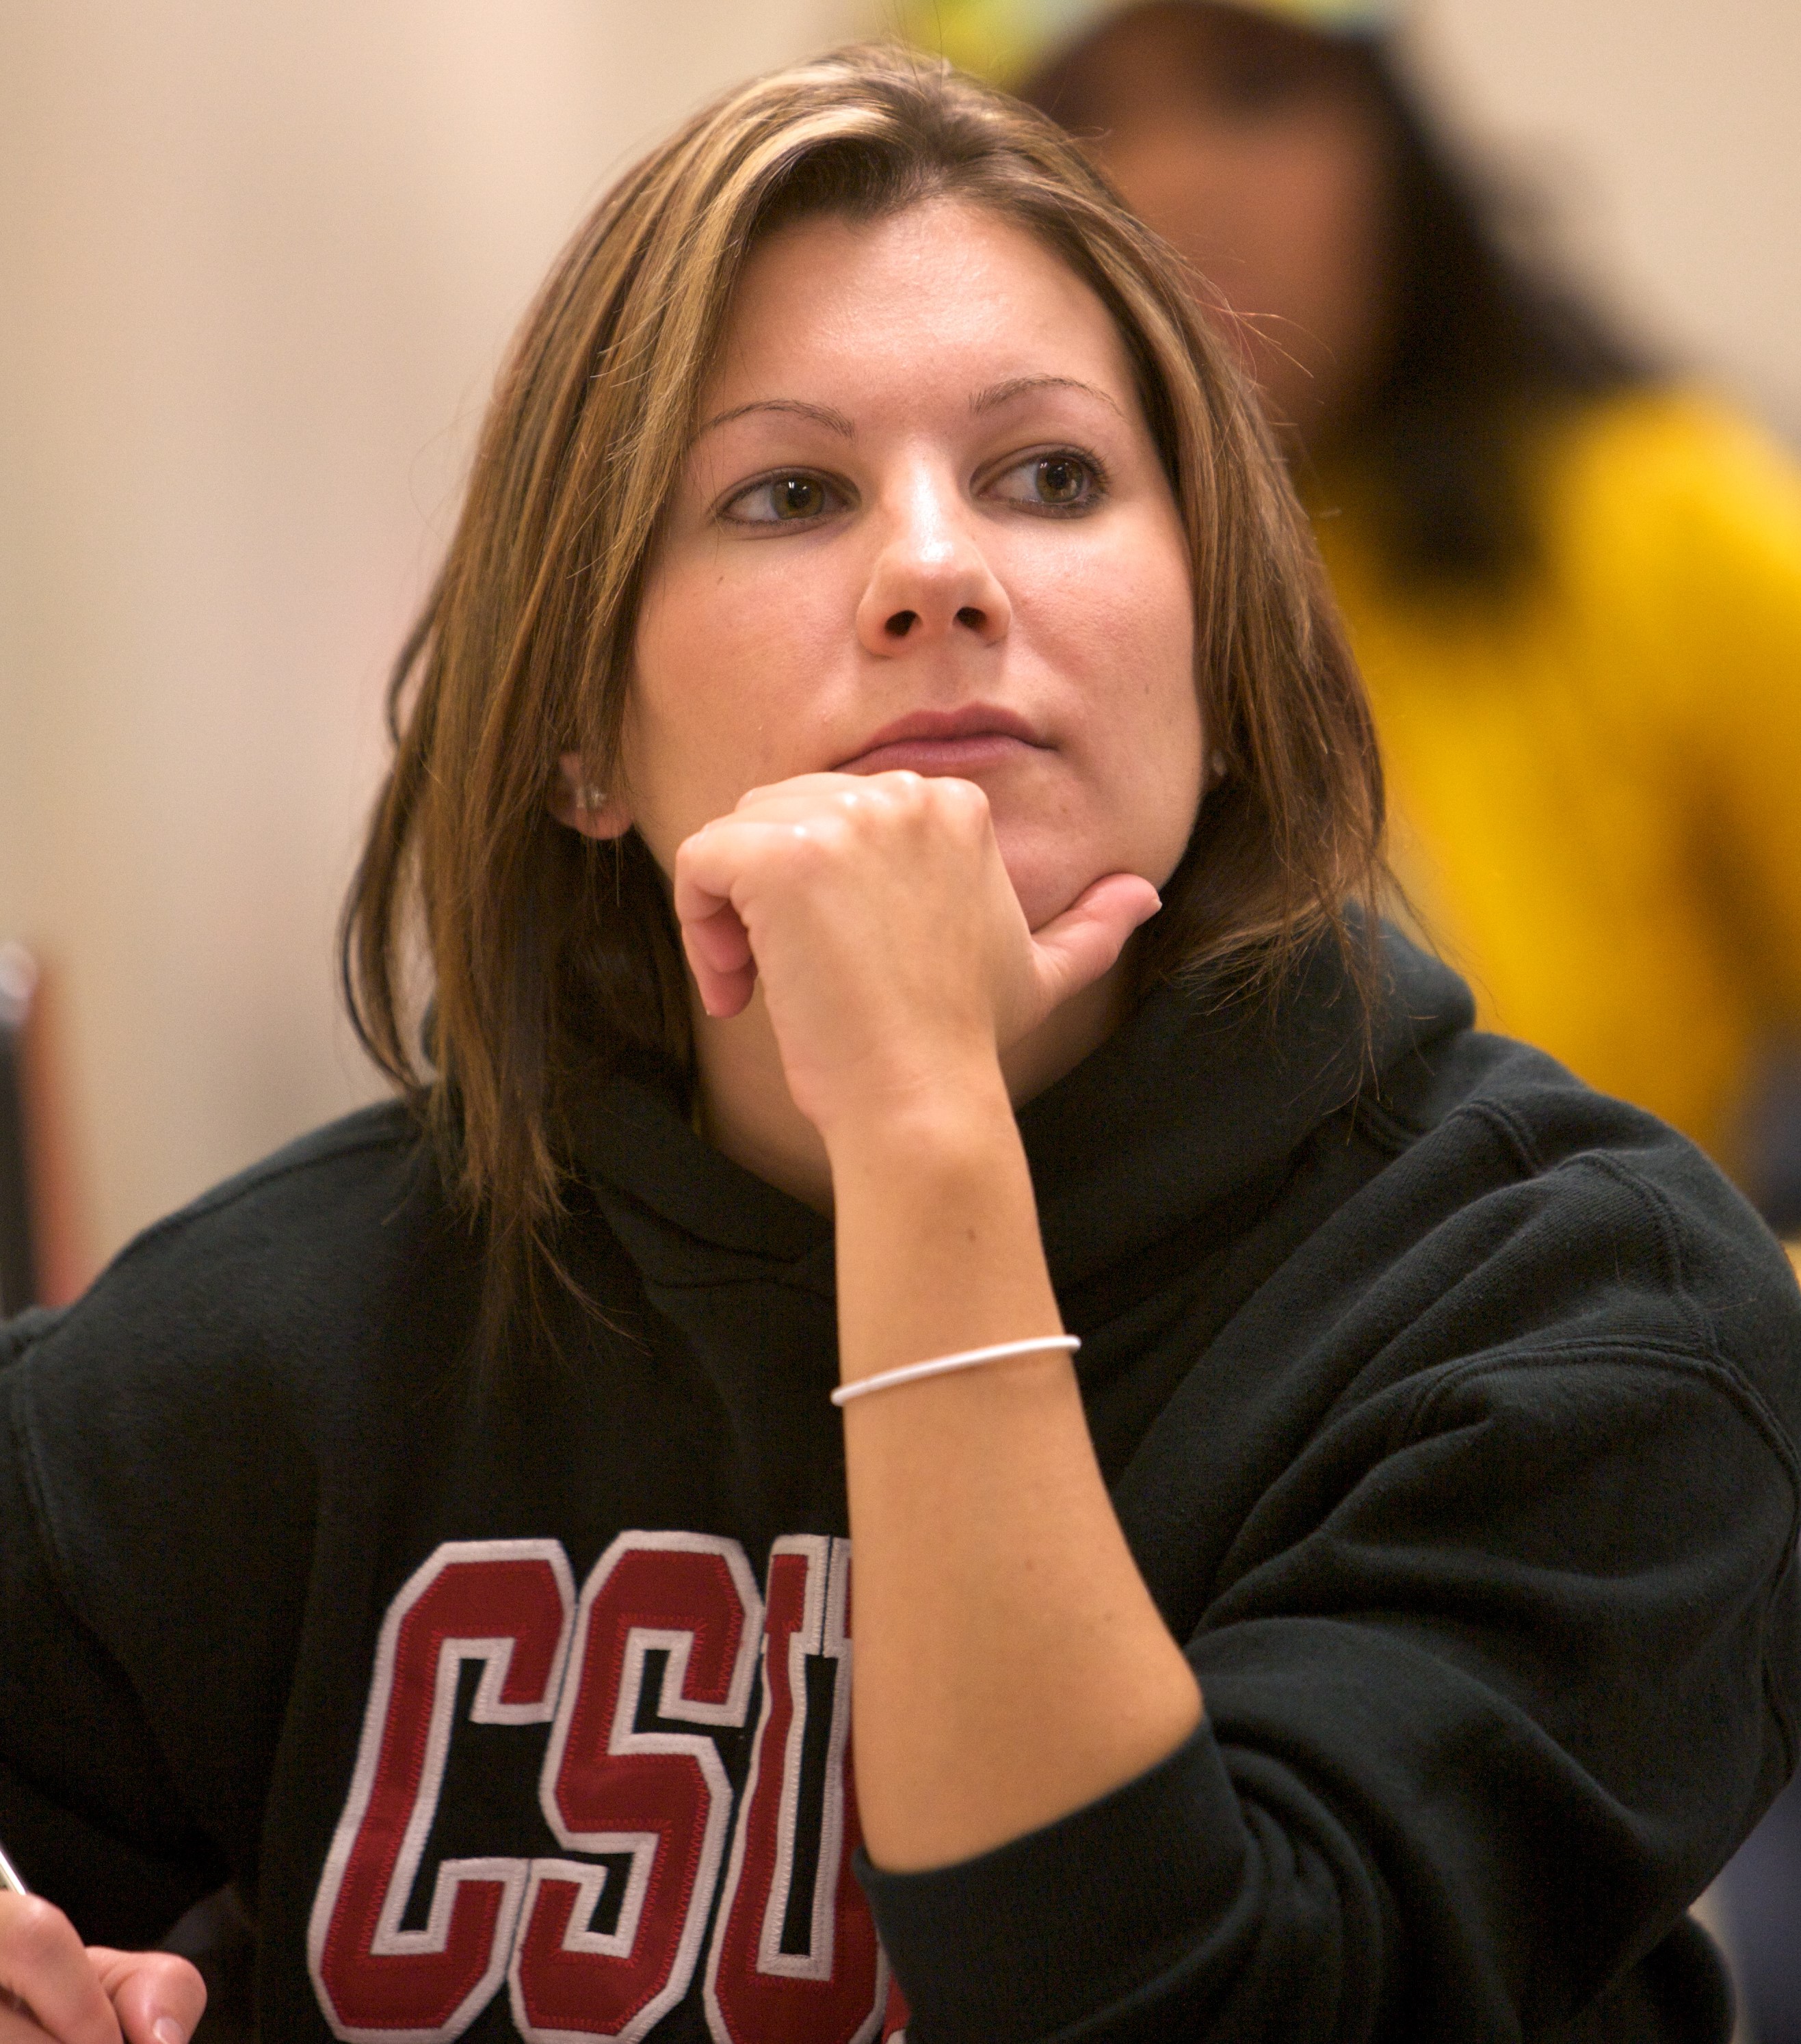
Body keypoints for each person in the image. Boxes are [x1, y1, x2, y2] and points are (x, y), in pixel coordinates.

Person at [1, 43, 1798, 2044]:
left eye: (1049, 476)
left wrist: (922, 1127)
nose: (938, 568)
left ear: (1219, 651)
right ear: (581, 734)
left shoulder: (1574, 1303)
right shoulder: (289, 1336)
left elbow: (1182, 2005)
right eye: (786, 491)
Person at [913, 0, 1801, 1211]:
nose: (1177, 182)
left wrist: (1719, 1338)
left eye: (1254, 90)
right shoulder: (910, 600)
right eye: (1079, 114)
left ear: (1391, 134)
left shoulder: (1659, 523)